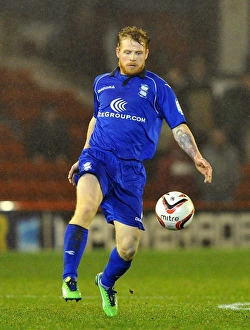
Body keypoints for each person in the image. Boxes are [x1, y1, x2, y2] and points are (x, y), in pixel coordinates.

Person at [62, 26, 212, 317]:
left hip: (131, 170)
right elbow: (96, 119)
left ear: (147, 54)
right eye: (127, 52)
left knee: (128, 248)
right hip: (98, 157)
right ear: (117, 52)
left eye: (138, 53)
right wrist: (83, 154)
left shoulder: (159, 88)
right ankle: (69, 278)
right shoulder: (101, 83)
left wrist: (195, 155)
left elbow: (179, 126)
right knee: (86, 206)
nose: (132, 58)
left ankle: (105, 282)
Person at [195, 127, 241, 202]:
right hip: (208, 194)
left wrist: (229, 187)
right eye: (216, 136)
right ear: (212, 137)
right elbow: (199, 175)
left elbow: (235, 173)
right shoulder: (204, 153)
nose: (218, 139)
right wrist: (206, 188)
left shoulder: (231, 153)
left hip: (227, 193)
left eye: (220, 136)